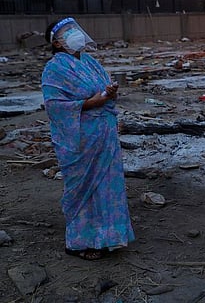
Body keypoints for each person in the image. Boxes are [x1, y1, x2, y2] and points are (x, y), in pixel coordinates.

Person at [41, 17, 135, 260]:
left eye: (74, 29)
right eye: (67, 32)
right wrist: (91, 102)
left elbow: (103, 90)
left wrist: (109, 93)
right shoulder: (55, 68)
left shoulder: (90, 61)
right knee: (86, 190)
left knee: (107, 187)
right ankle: (80, 242)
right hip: (82, 139)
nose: (75, 34)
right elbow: (55, 106)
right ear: (58, 43)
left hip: (104, 135)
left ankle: (107, 237)